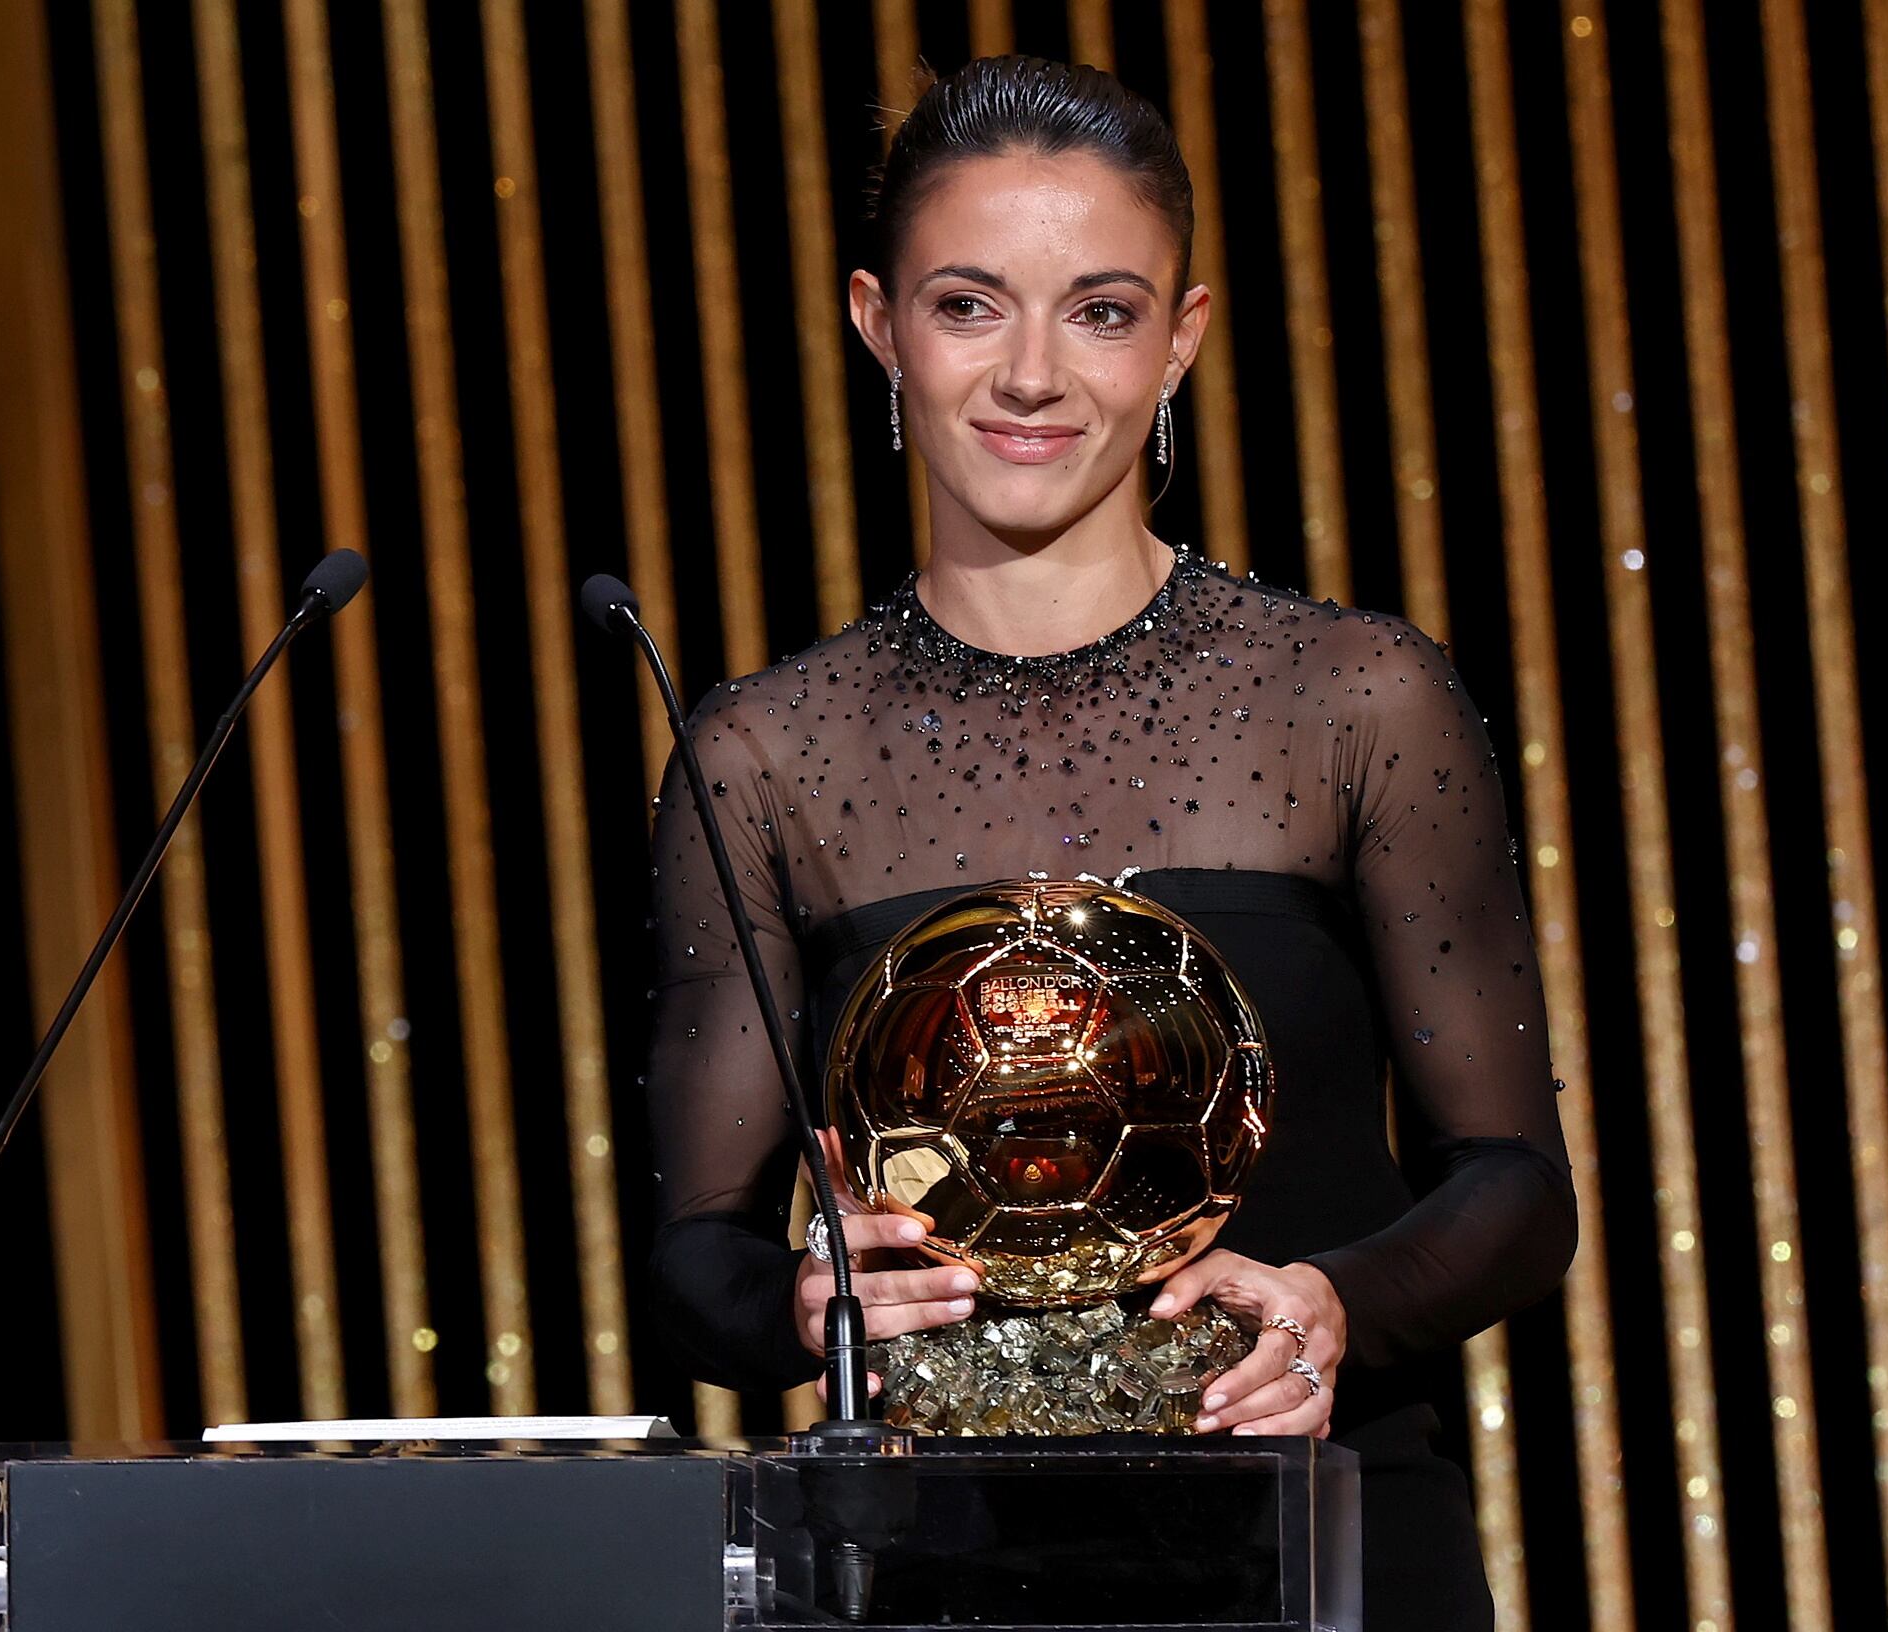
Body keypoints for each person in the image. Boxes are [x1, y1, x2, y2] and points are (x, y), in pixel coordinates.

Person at [641, 53, 1576, 1630]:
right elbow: (692, 1256)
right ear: (878, 322)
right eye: (966, 304)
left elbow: (1514, 1193)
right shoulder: (763, 755)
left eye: (1100, 309)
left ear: (1181, 339)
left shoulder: (1353, 699)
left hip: (1319, 1536)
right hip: (933, 1562)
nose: (1031, 375)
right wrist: (815, 1307)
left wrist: (1335, 1302)